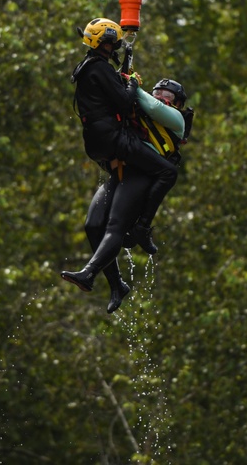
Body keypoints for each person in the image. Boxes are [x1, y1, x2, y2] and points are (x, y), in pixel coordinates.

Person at [61, 18, 180, 295]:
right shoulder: (100, 68)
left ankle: (115, 284)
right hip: (116, 142)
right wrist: (133, 84)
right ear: (105, 43)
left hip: (96, 144)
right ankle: (142, 228)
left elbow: (114, 95)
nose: (115, 46)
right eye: (113, 42)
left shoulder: (87, 68)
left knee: (95, 225)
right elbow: (126, 104)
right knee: (168, 172)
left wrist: (126, 78)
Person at [80, 79, 193, 313]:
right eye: (158, 92)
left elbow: (153, 108)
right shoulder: (138, 111)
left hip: (144, 174)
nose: (162, 96)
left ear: (178, 103)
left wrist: (132, 84)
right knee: (92, 225)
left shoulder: (176, 119)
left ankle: (88, 273)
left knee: (114, 226)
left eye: (168, 95)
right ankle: (116, 285)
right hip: (123, 170)